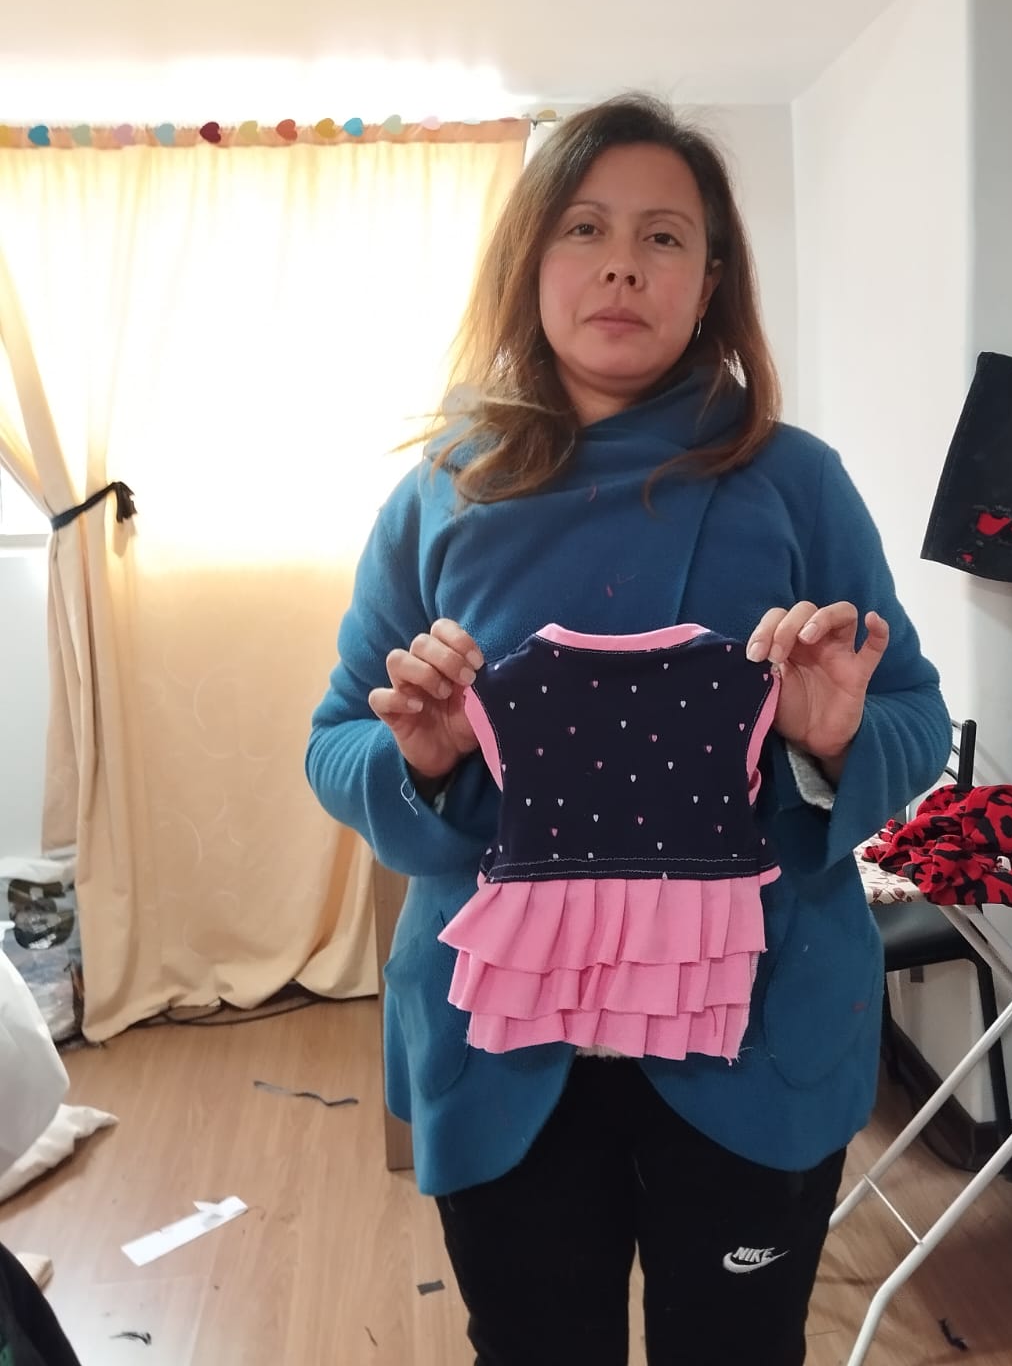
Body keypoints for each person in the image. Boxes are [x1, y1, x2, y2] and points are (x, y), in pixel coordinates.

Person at [305, 94, 949, 1366]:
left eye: (663, 237)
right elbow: (336, 739)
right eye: (585, 228)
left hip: (756, 1033)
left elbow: (911, 715)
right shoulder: (440, 490)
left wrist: (833, 742)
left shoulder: (793, 480)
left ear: (709, 282)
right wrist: (415, 759)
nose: (620, 265)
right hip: (507, 1049)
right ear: (530, 260)